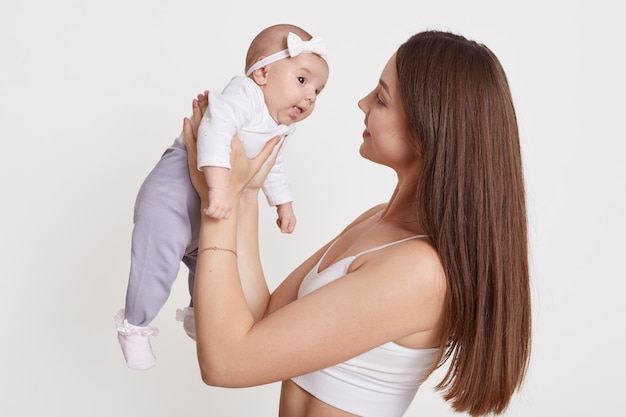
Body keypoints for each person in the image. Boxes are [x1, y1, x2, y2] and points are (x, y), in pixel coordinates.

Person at [184, 29, 531, 417]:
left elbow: (226, 363)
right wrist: (245, 192)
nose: (362, 102)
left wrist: (217, 206)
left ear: (427, 130)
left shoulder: (419, 269)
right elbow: (262, 322)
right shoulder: (378, 222)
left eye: (381, 99)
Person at [114, 23, 330, 370]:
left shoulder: (280, 126)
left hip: (209, 209)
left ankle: (198, 316)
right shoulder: (242, 95)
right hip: (172, 198)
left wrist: (283, 203)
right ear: (261, 73)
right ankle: (135, 327)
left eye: (318, 91)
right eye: (302, 81)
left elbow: (273, 165)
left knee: (214, 269)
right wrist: (217, 187)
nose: (310, 97)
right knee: (157, 263)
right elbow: (214, 132)